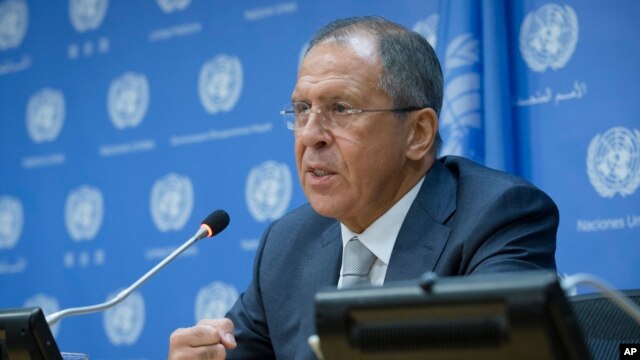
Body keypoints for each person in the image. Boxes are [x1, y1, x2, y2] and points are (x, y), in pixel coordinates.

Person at [168, 16, 558, 359]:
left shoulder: (497, 216)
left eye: (341, 109)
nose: (311, 135)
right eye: (302, 110)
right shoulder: (286, 244)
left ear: (418, 133)